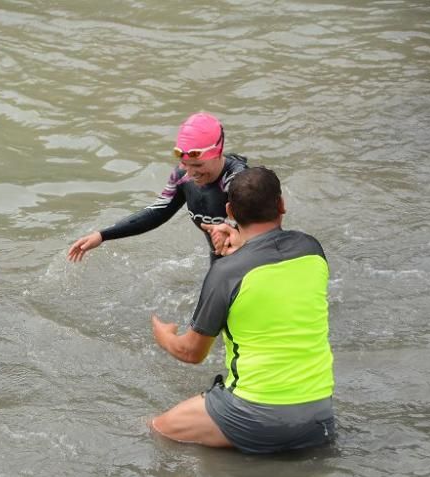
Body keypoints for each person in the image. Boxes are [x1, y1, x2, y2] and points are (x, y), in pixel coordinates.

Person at [149, 166, 335, 454]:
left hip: (254, 417)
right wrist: (241, 246)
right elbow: (271, 267)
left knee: (158, 430)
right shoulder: (312, 250)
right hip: (319, 419)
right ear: (282, 204)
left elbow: (191, 352)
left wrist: (163, 336)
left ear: (230, 212)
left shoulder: (225, 273)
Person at [67, 112, 247, 264]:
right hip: (220, 264)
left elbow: (266, 229)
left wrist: (230, 228)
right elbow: (158, 212)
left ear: (218, 154)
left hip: (253, 265)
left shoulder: (240, 180)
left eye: (198, 165)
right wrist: (102, 235)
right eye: (184, 163)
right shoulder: (181, 177)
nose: (190, 173)